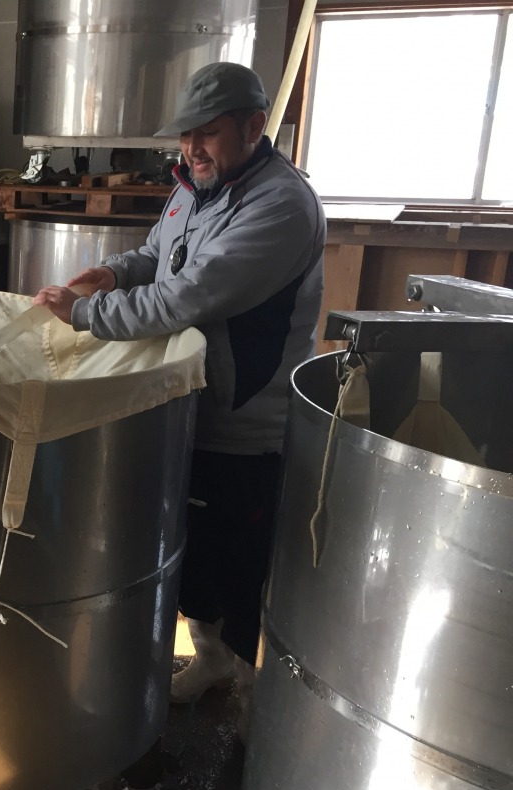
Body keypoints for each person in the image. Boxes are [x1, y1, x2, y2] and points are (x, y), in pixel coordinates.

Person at [33, 62, 326, 737]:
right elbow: (159, 257)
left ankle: (253, 700)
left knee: (242, 562)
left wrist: (83, 315)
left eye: (208, 133)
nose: (192, 149)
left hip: (247, 422)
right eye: (185, 135)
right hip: (188, 404)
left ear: (254, 127)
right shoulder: (197, 186)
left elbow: (186, 296)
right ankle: (212, 659)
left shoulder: (280, 206)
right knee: (192, 553)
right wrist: (112, 272)